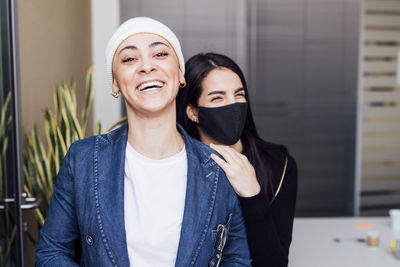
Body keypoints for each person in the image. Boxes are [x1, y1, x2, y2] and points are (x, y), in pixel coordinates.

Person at [35, 18, 251, 267]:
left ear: (180, 74)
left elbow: (236, 259)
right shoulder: (82, 158)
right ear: (115, 82)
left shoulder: (217, 169)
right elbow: (51, 254)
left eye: (160, 53)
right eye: (129, 59)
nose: (147, 67)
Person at [176, 52, 298, 267]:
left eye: (239, 95)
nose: (232, 105)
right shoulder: (177, 166)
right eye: (217, 97)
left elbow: (274, 263)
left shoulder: (279, 164)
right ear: (192, 111)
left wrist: (253, 194)